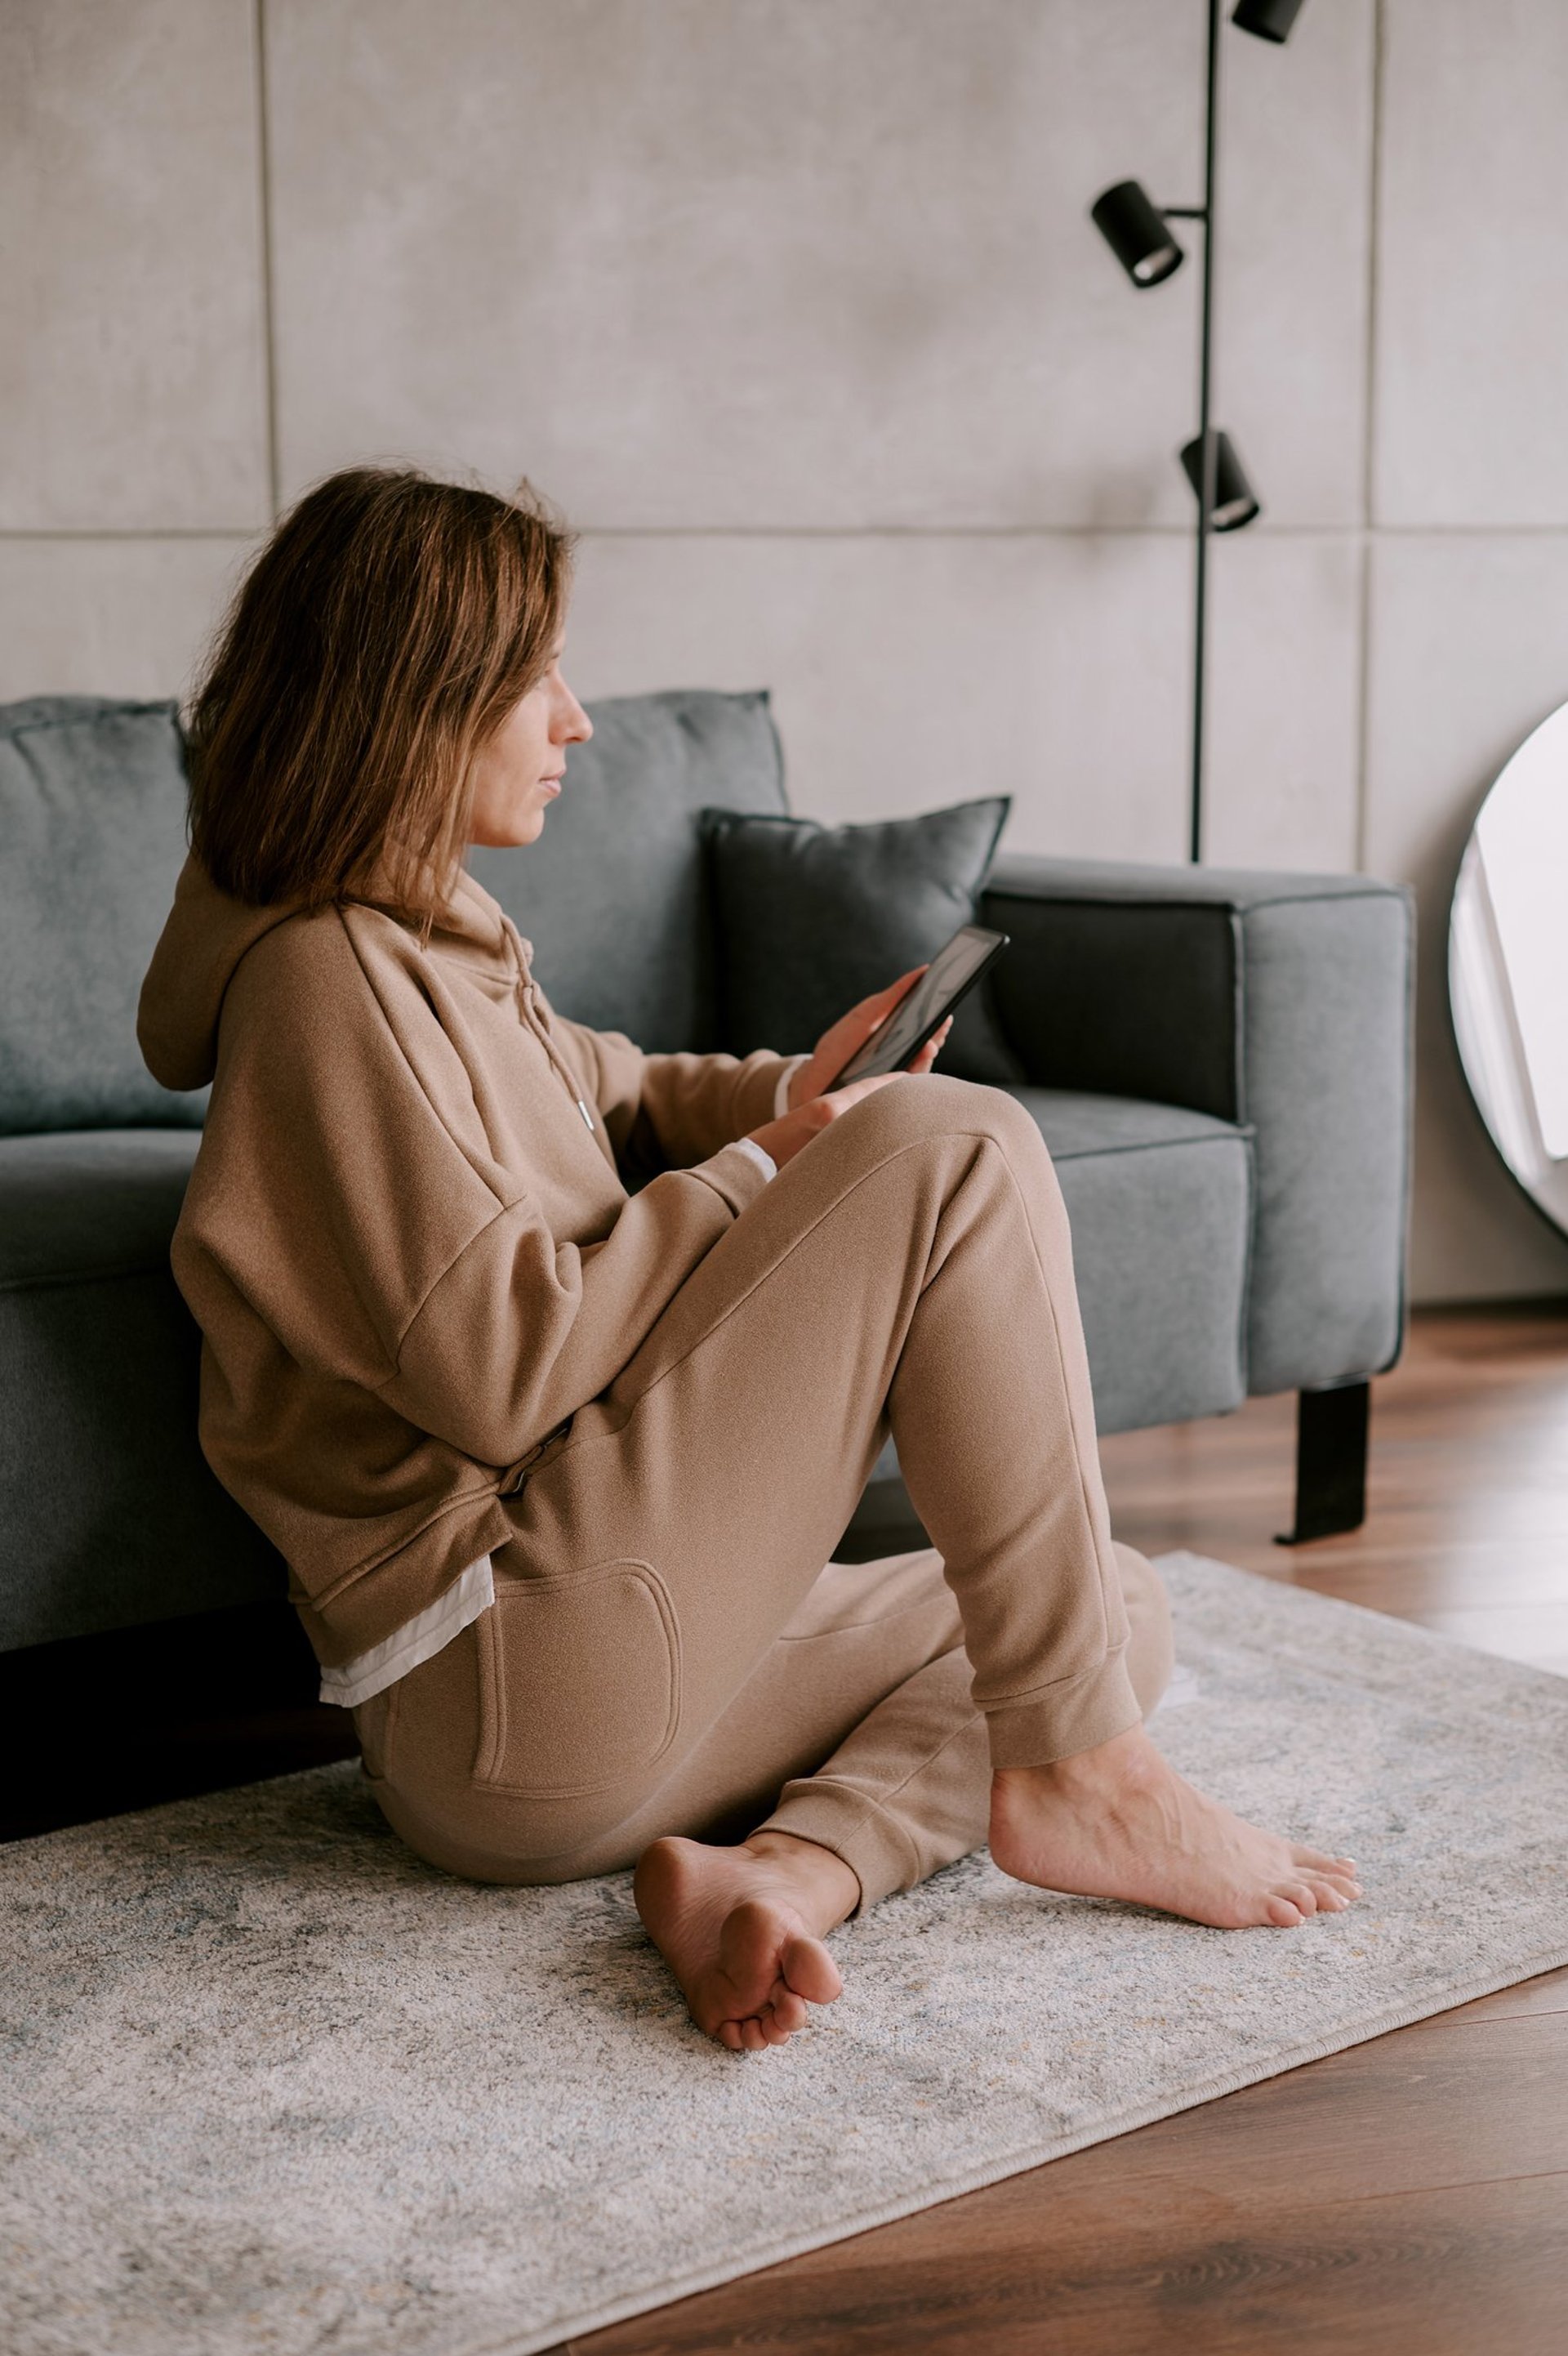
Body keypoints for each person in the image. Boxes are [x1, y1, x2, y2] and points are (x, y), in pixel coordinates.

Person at [139, 466, 1360, 2055]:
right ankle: (1086, 1777)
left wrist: (789, 1092)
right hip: (508, 1655)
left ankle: (777, 1870)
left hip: (593, 1671)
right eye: (535, 677)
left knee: (1093, 1606)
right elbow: (498, 1368)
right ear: (413, 701)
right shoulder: (327, 986)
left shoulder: (424, 933)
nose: (574, 720)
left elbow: (612, 1082)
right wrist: (760, 1174)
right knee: (962, 1148)